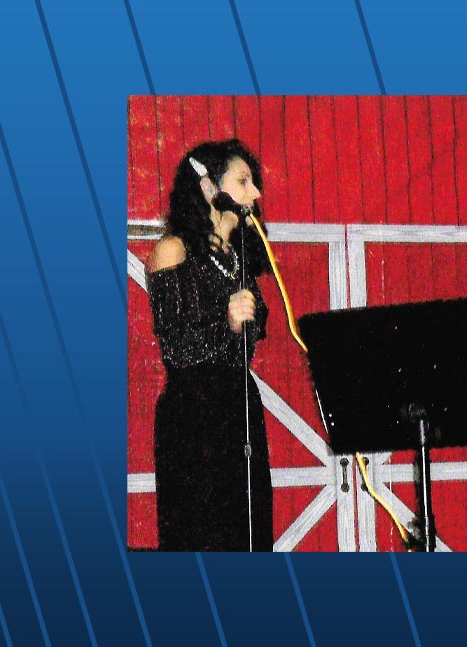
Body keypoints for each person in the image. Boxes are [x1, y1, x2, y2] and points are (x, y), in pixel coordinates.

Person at [146, 139, 274, 551]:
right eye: (243, 181)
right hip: (194, 418)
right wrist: (228, 326)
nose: (255, 194)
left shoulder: (240, 262)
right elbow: (177, 351)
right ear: (208, 189)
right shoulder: (173, 251)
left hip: (241, 409)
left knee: (250, 534)